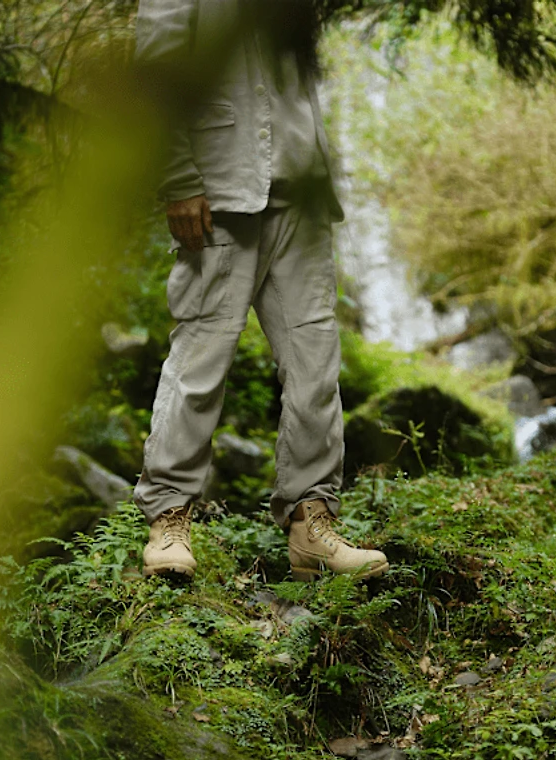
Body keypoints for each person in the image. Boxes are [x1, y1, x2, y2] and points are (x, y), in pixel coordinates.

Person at [132, 0, 388, 582]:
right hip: (222, 191)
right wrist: (177, 178)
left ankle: (311, 526)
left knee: (316, 364)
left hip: (303, 194)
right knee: (200, 359)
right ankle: (168, 520)